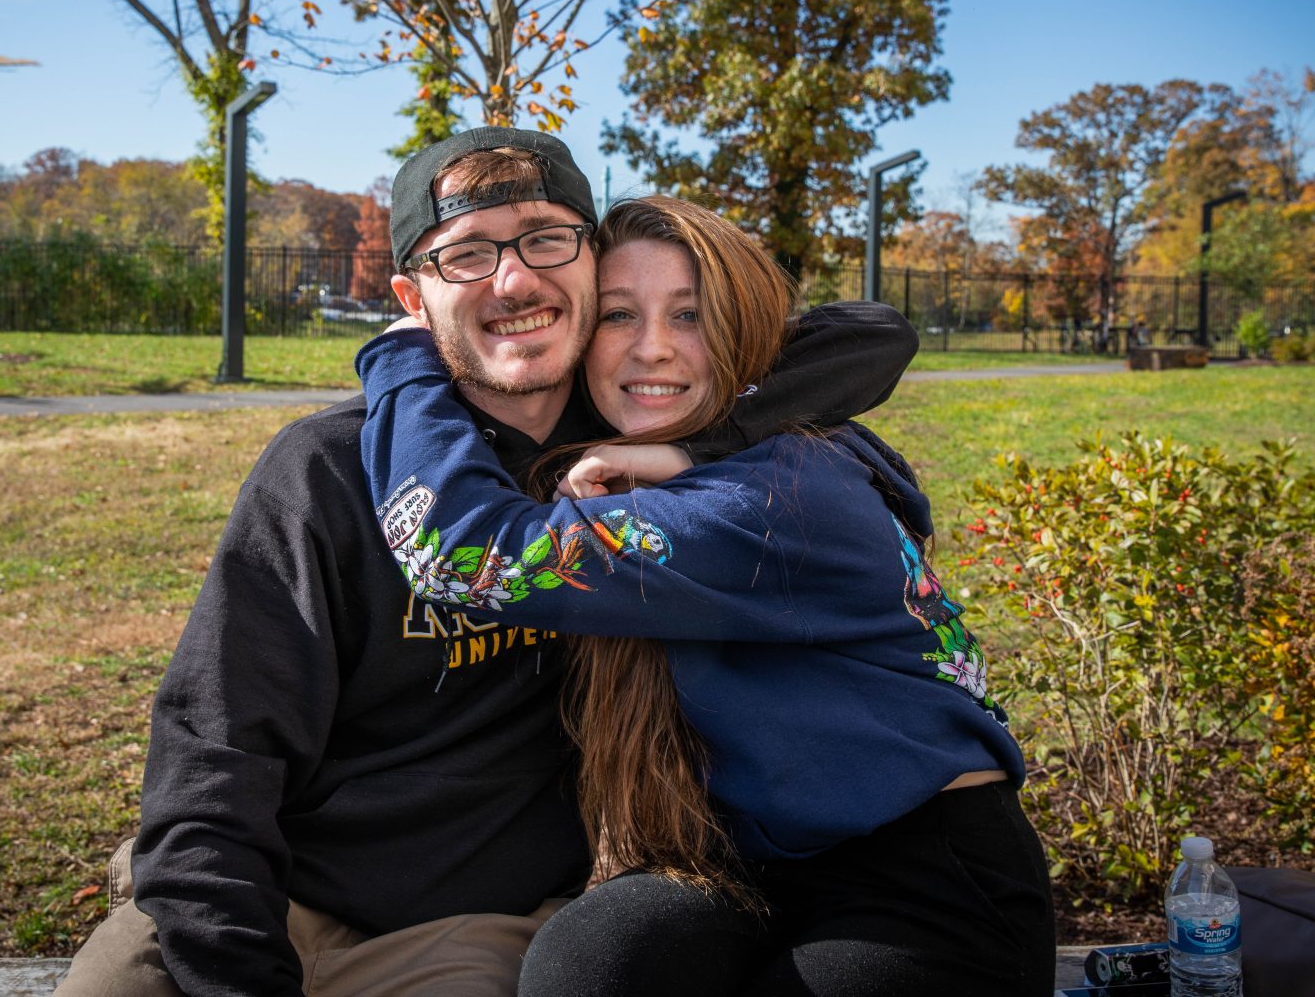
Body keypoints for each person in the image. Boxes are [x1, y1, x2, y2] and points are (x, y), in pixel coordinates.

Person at [56, 129, 920, 997]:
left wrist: (702, 448)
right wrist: (229, 958)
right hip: (264, 895)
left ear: (593, 261)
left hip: (470, 932)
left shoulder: (644, 424)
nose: (513, 280)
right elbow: (216, 750)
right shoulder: (326, 467)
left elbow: (869, 338)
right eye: (464, 254)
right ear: (412, 297)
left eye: (546, 238)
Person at [355, 195, 1056, 997]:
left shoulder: (775, 494)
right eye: (618, 316)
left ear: (742, 336)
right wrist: (689, 445)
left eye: (690, 316)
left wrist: (402, 356)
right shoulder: (697, 460)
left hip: (926, 875)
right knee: (594, 964)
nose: (653, 349)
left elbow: (467, 556)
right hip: (752, 869)